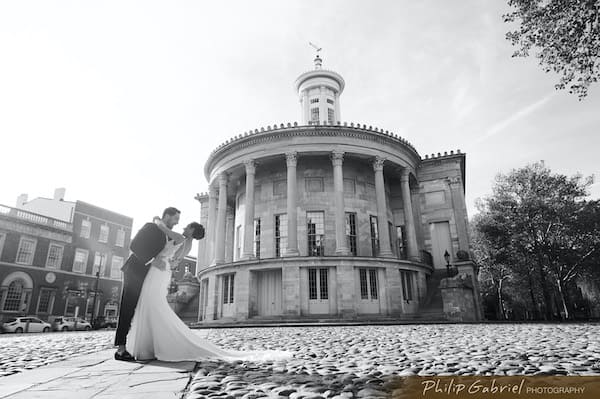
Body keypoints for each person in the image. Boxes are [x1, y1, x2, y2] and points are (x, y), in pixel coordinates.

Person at [126, 218, 293, 362]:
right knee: (154, 305)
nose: (183, 226)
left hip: (159, 271)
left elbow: (172, 257)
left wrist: (160, 258)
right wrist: (165, 262)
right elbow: (176, 261)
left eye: (187, 226)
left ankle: (153, 344)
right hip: (162, 271)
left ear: (191, 230)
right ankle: (151, 344)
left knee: (153, 305)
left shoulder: (182, 240)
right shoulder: (187, 243)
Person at [114, 207, 181, 361]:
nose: (177, 222)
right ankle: (120, 349)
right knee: (128, 307)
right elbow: (134, 245)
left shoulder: (165, 233)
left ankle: (137, 345)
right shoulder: (150, 227)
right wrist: (152, 260)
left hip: (148, 275)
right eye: (175, 218)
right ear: (167, 216)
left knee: (142, 308)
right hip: (134, 271)